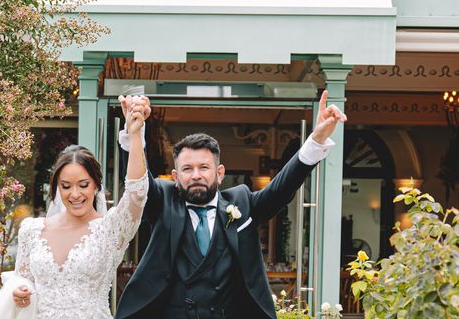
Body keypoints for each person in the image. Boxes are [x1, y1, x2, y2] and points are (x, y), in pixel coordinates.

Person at [115, 90, 346, 319]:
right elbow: (139, 183)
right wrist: (134, 133)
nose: (196, 175)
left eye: (204, 167)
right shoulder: (162, 200)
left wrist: (316, 141)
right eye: (187, 169)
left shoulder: (242, 203)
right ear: (175, 177)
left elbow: (281, 190)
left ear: (219, 173)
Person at [0, 95, 149, 319]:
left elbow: (137, 193)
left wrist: (135, 135)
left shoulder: (110, 230)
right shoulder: (31, 230)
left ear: (96, 186)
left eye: (83, 185)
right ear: (56, 188)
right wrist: (19, 293)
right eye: (66, 186)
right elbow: (23, 282)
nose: (75, 194)